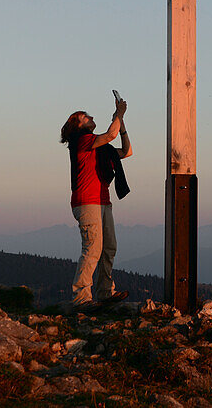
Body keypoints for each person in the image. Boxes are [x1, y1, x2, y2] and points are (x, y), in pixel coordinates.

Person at [60, 98, 132, 309]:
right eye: (85, 116)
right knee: (93, 248)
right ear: (78, 126)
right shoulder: (82, 142)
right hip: (87, 201)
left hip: (102, 201)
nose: (91, 117)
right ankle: (82, 298)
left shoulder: (98, 147)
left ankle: (104, 292)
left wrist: (121, 120)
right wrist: (118, 114)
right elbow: (111, 135)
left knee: (108, 247)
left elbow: (126, 152)